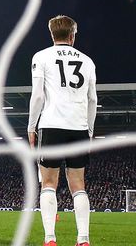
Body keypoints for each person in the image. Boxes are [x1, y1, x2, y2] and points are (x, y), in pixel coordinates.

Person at [28, 15, 97, 246]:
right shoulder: (87, 61)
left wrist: (31, 126)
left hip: (51, 125)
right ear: (72, 35)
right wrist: (89, 131)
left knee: (48, 184)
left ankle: (50, 238)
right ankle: (83, 238)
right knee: (78, 185)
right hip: (78, 126)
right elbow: (92, 100)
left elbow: (37, 96)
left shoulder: (41, 56)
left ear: (51, 34)